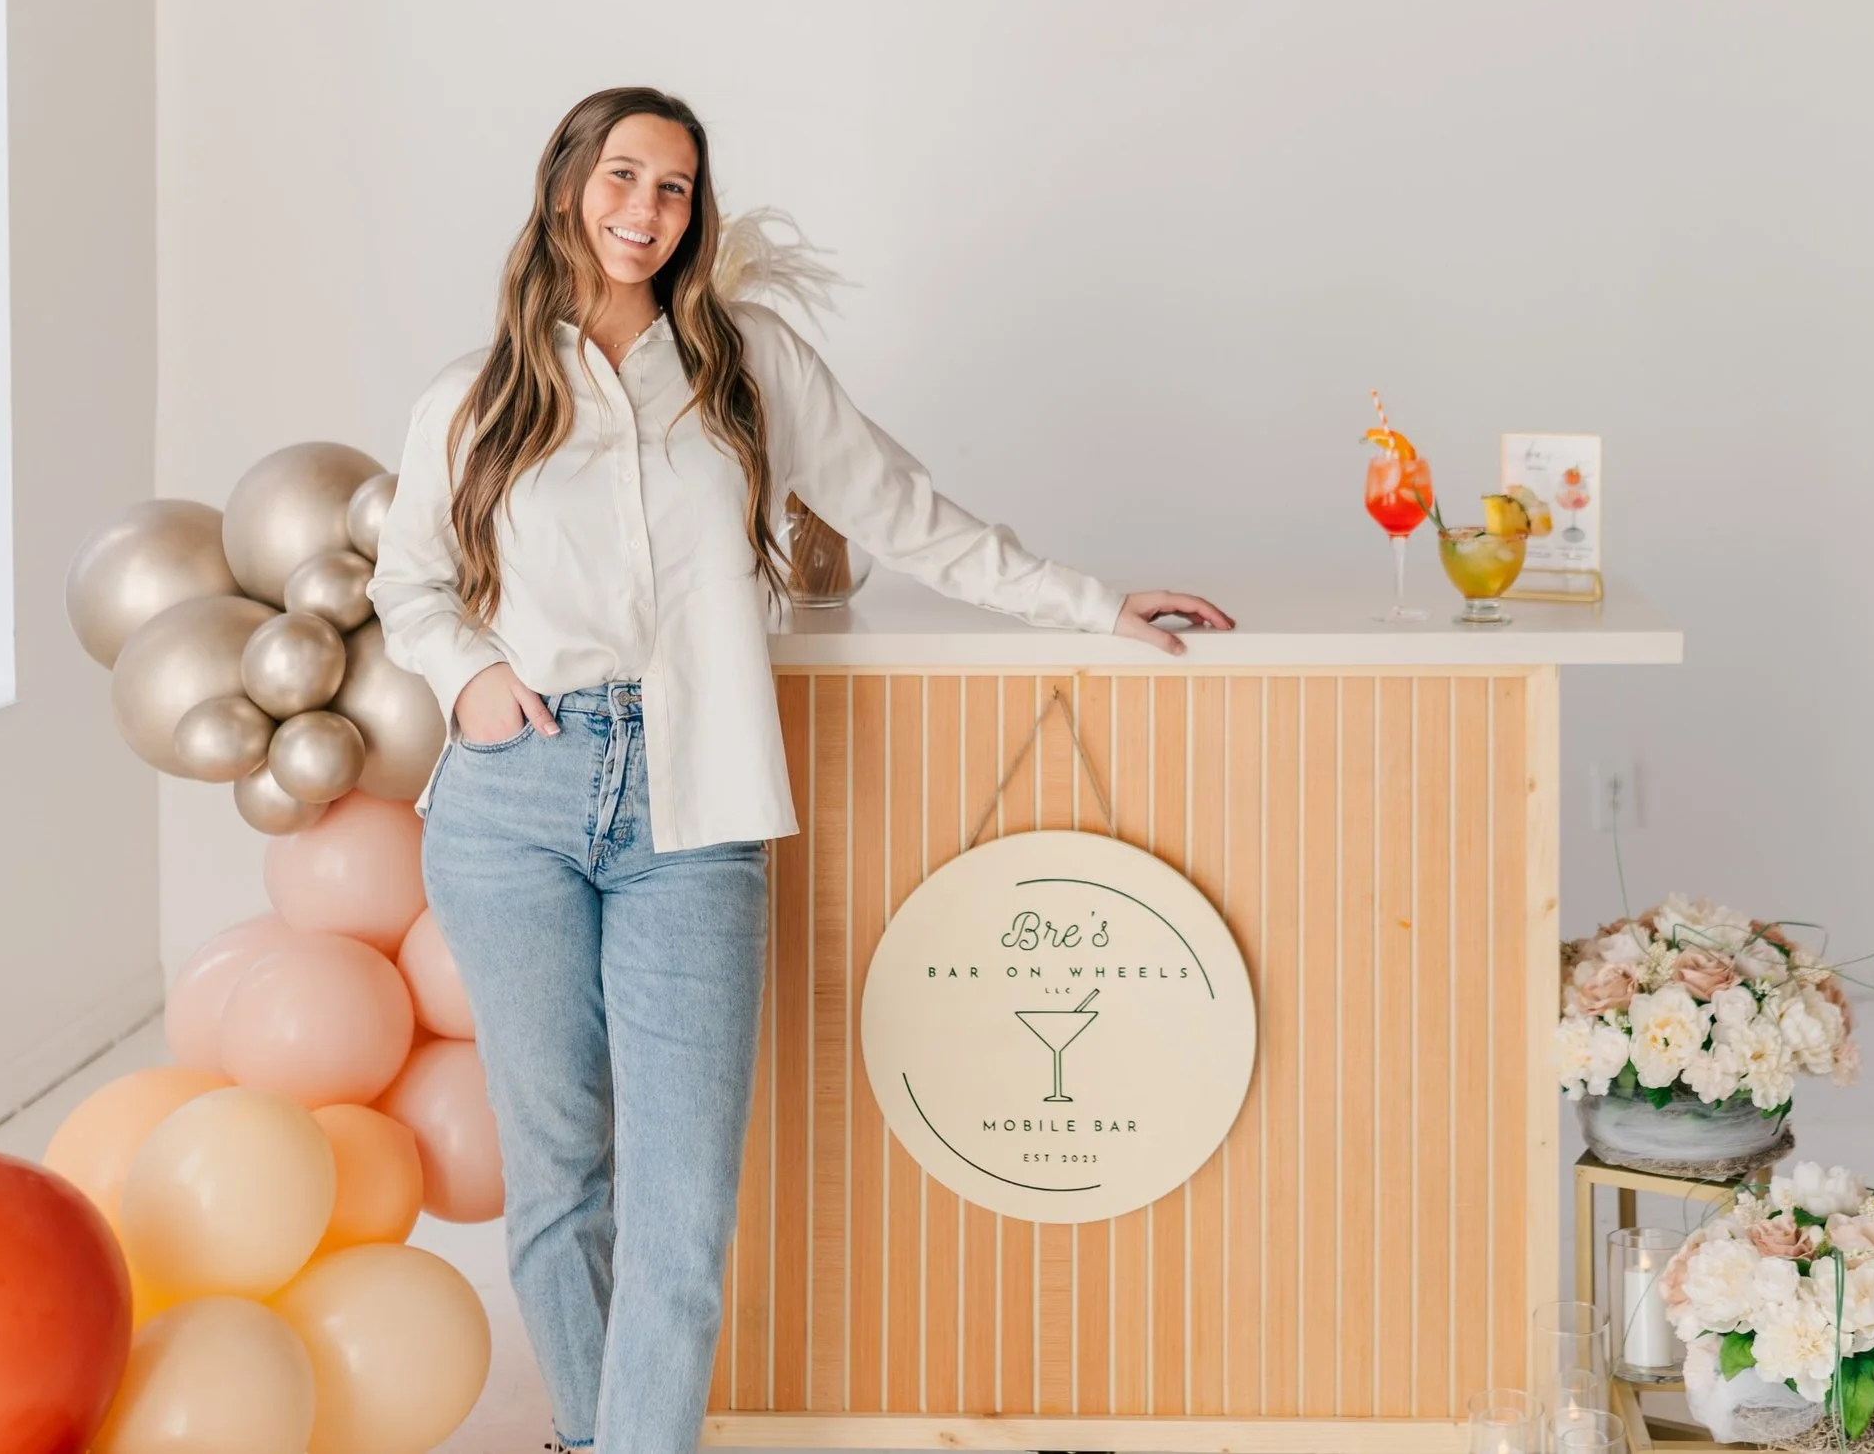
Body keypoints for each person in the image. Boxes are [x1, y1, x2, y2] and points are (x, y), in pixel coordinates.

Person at [367, 85, 1230, 1454]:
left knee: (686, 1202)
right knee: (556, 1173)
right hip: (512, 798)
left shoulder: (745, 366)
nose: (646, 212)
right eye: (625, 177)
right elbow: (409, 581)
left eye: (675, 188)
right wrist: (466, 677)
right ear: (566, 185)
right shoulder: (471, 397)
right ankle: (593, 1438)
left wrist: (1094, 603)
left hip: (693, 800)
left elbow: (907, 509)